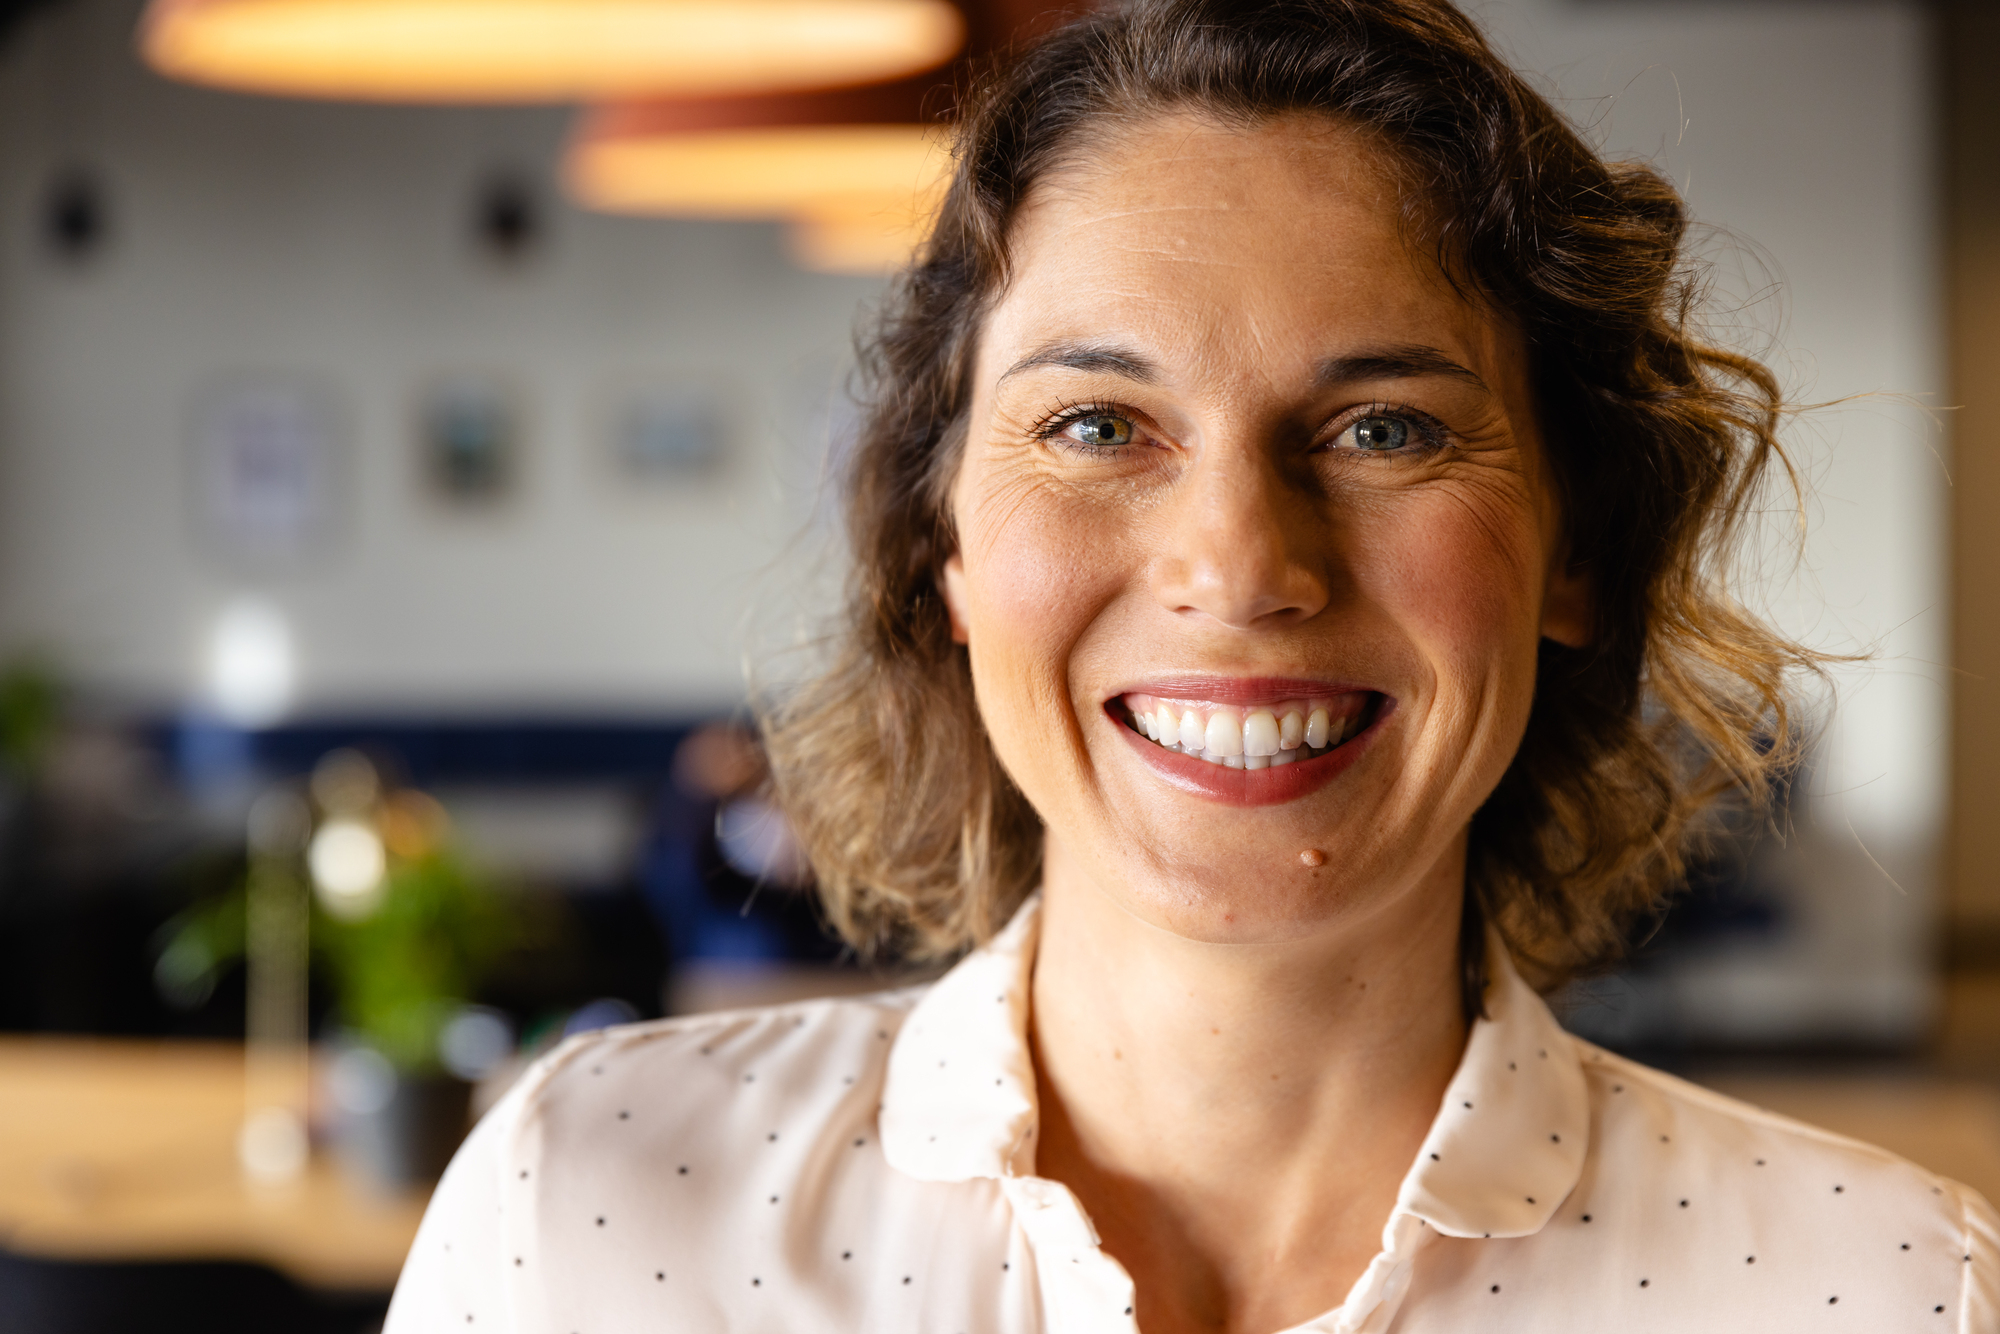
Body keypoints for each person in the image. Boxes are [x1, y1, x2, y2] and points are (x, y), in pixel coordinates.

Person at [384, 2, 1999, 1330]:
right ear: (946, 556)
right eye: (1095, 425)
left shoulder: (1888, 1288)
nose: (1238, 569)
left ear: (1575, 549)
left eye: (1385, 427)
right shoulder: (580, 1213)